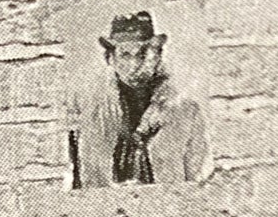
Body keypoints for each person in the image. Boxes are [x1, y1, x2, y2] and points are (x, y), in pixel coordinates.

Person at [73, 11, 211, 188]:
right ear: (110, 58)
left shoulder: (186, 112)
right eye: (125, 55)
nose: (134, 65)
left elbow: (199, 184)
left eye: (142, 54)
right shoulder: (90, 113)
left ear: (158, 56)